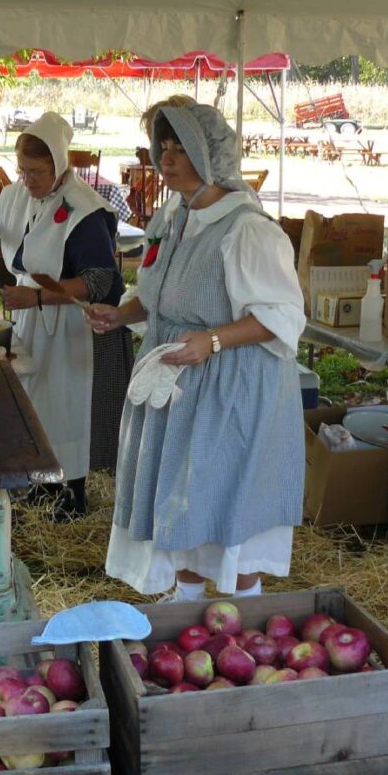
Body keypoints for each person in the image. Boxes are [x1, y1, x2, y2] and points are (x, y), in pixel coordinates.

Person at [85, 104, 305, 601]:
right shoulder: (174, 216)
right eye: (163, 148)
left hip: (233, 387)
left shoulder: (247, 230)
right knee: (181, 497)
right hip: (183, 380)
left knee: (227, 498)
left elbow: (284, 317)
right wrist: (122, 314)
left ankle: (241, 609)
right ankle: (185, 602)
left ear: (212, 156)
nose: (167, 159)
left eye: (181, 149)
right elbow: (166, 295)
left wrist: (214, 340)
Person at [0, 113, 133, 520]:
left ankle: (72, 493)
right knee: (39, 402)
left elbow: (98, 281)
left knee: (67, 407)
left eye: (37, 171)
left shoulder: (86, 212)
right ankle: (43, 483)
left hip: (77, 325)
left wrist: (39, 296)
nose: (28, 179)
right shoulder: (22, 194)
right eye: (23, 170)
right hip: (34, 313)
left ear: (59, 165)